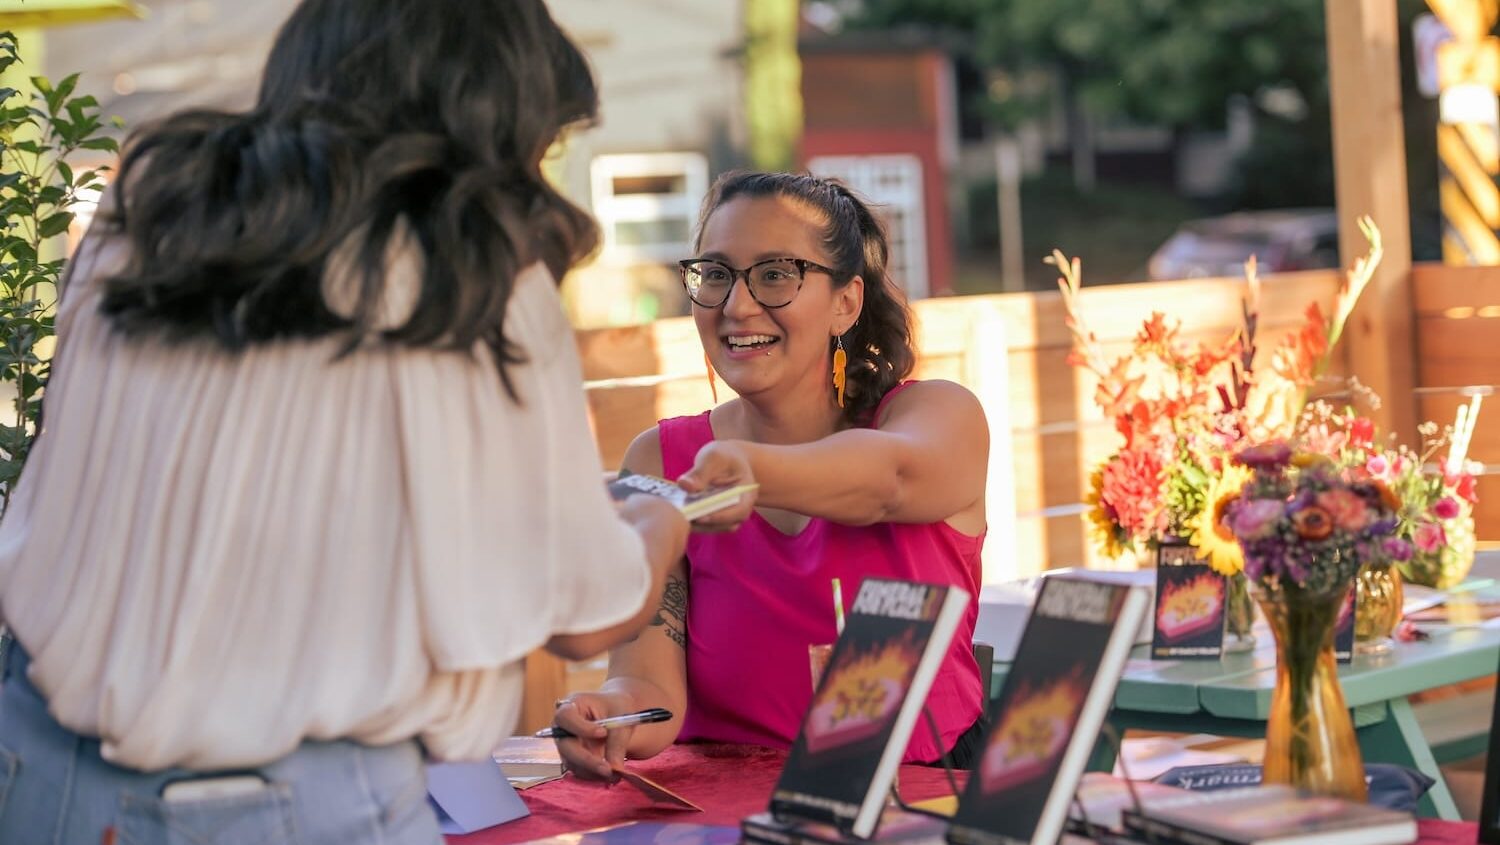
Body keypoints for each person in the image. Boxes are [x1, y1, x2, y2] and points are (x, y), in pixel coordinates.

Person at [0, 1, 732, 842]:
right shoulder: (472, 269)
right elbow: (586, 609)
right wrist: (657, 514)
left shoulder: (147, 212)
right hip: (295, 797)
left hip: (39, 768)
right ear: (491, 115)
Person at [554, 172, 990, 779]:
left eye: (776, 274)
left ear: (846, 302)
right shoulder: (661, 458)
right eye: (715, 274)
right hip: (727, 801)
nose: (737, 304)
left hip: (920, 796)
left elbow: (887, 481)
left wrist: (748, 470)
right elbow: (647, 681)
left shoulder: (939, 415)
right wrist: (613, 713)